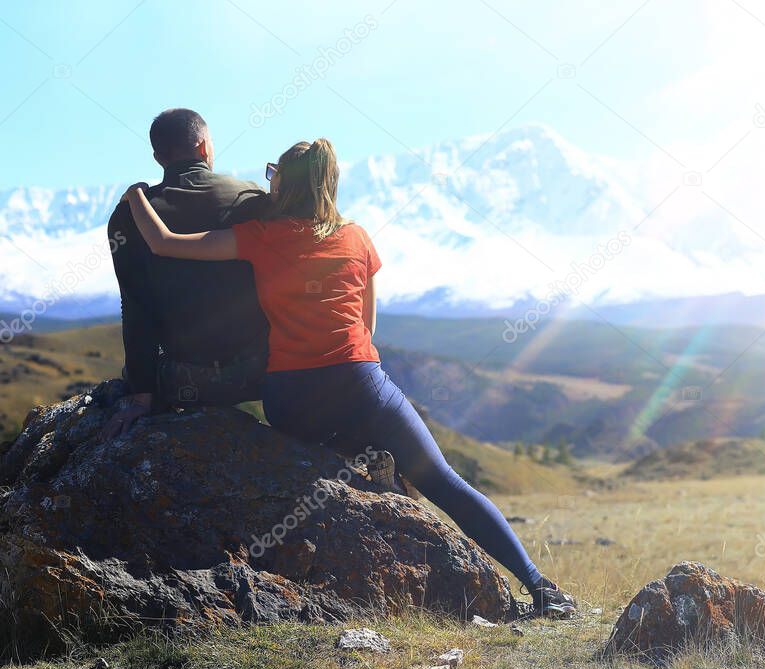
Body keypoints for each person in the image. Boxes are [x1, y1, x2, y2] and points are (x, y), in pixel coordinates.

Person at [118, 137, 576, 618]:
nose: (267, 177)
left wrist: (134, 195)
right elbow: (369, 326)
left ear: (285, 183)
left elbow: (164, 243)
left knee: (319, 475)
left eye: (274, 171)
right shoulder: (357, 237)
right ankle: (539, 586)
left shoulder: (259, 235)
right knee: (442, 480)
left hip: (291, 398)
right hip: (361, 386)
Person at [103, 109, 270, 440]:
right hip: (265, 373)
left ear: (157, 157)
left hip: (186, 381)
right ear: (205, 147)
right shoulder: (254, 199)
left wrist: (141, 395)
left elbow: (135, 310)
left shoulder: (129, 215)